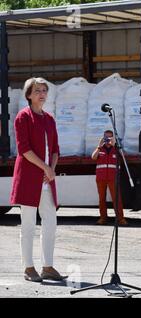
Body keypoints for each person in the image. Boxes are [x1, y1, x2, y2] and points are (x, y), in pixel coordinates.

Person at [10, 77, 66, 282]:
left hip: (46, 179)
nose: (42, 94)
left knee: (50, 222)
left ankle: (48, 266)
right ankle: (28, 267)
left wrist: (51, 169)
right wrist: (45, 168)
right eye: (37, 91)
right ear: (29, 95)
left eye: (44, 90)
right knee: (28, 225)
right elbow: (23, 149)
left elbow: (55, 149)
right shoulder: (22, 117)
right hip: (28, 178)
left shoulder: (49, 119)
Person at [91, 130, 128, 226]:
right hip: (101, 178)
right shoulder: (100, 149)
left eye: (110, 138)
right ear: (103, 138)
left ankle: (120, 219)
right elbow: (93, 157)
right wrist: (99, 146)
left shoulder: (116, 149)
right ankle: (103, 218)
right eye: (106, 138)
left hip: (113, 178)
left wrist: (115, 144)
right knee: (101, 199)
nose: (107, 140)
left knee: (117, 199)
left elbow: (123, 156)